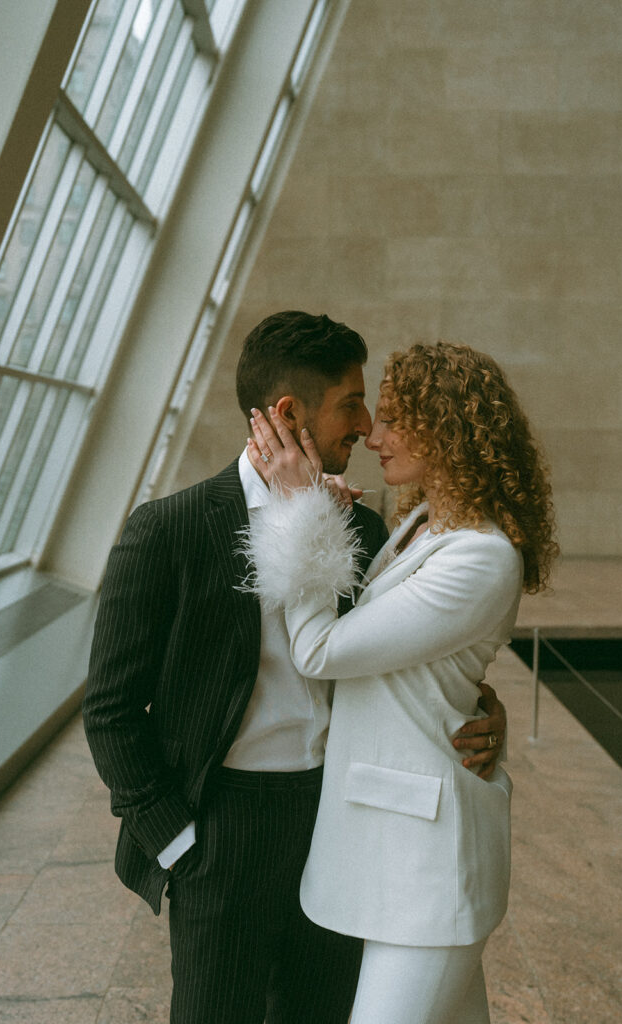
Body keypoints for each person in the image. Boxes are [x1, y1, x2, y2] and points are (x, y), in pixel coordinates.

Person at [82, 313, 508, 1024]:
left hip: (338, 818)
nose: (366, 425)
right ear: (287, 414)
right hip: (220, 827)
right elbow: (110, 711)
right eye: (350, 402)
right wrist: (179, 841)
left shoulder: (363, 528)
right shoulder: (171, 530)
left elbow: (408, 646)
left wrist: (478, 703)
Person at [244, 340, 558, 1024]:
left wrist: (299, 510)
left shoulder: (481, 557)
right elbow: (416, 666)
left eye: (391, 419)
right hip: (393, 855)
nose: (372, 435)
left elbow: (322, 649)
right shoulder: (417, 523)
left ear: (444, 427)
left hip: (430, 869)